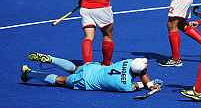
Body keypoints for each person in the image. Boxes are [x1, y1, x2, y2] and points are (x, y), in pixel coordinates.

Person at [21, 52, 163, 92]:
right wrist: (150, 85)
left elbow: (140, 71)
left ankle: (51, 59)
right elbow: (138, 83)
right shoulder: (125, 86)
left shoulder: (125, 62)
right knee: (61, 80)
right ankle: (29, 74)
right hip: (85, 82)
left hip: (92, 68)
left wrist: (148, 83)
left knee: (74, 68)